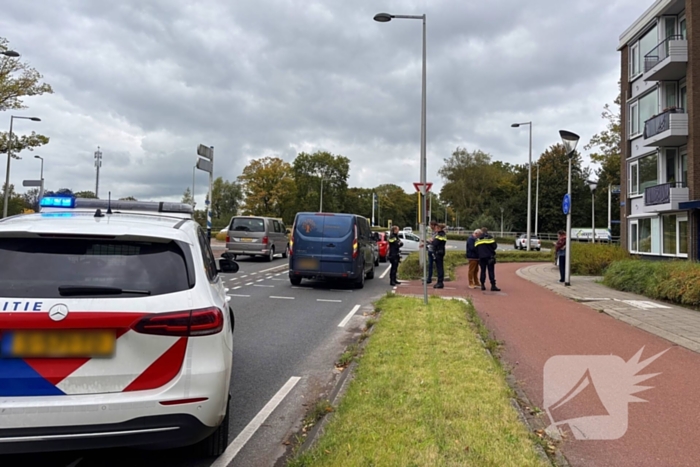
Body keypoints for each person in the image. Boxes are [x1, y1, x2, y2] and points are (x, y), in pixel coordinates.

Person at [432, 223, 447, 289]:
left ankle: (440, 282)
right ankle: (439, 282)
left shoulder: (440, 235)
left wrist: (432, 241)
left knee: (440, 268)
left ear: (439, 228)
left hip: (439, 253)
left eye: (437, 228)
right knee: (439, 268)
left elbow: (435, 243)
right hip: (439, 252)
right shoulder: (441, 234)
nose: (435, 229)